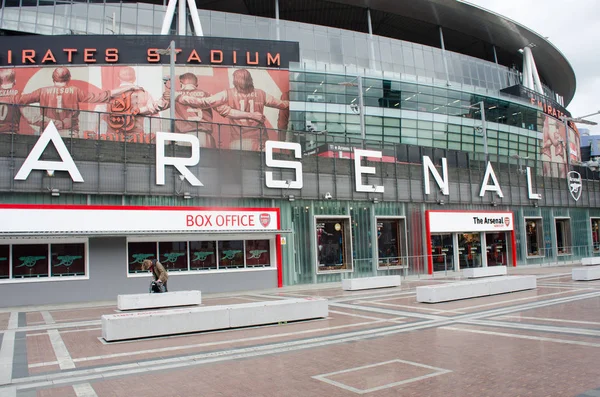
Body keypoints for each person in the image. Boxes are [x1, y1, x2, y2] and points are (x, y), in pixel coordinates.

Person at [172, 68, 289, 150]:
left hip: (238, 141)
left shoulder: (227, 93)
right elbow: (282, 105)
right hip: (260, 140)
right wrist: (299, 103)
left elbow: (204, 102)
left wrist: (181, 97)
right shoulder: (261, 94)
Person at [19, 67, 137, 137]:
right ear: (69, 78)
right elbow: (100, 97)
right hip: (69, 132)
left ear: (53, 79)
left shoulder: (42, 91)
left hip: (47, 131)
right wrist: (126, 88)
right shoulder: (75, 91)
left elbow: (20, 101)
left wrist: (40, 120)